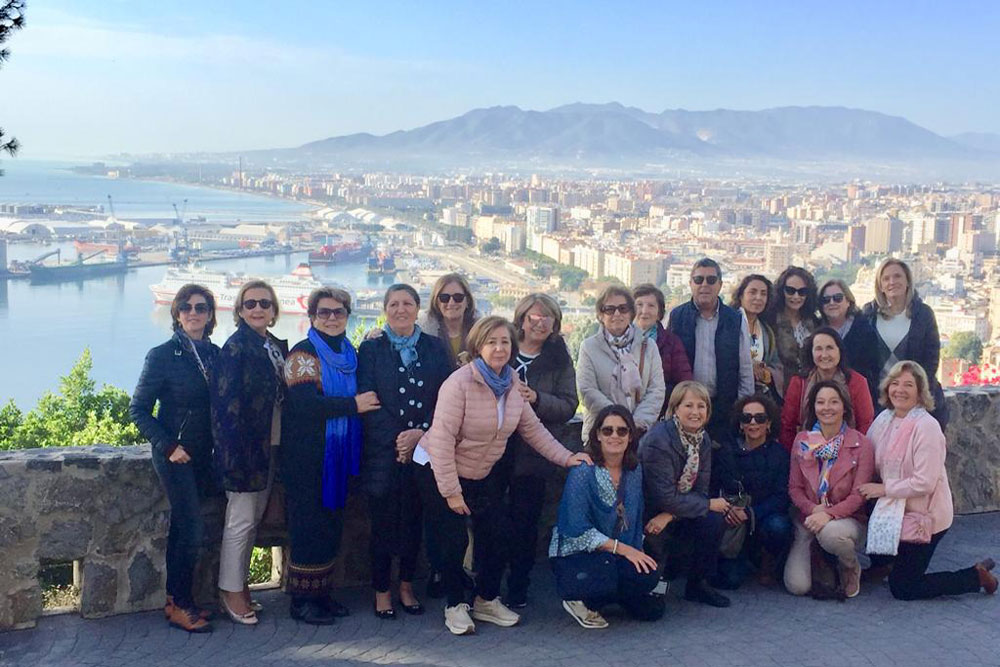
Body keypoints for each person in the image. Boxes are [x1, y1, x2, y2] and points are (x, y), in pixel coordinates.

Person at [417, 315, 591, 635]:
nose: (499, 348)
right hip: (438, 469)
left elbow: (533, 430)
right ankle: (455, 605)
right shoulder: (459, 384)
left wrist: (567, 458)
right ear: (478, 346)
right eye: (491, 342)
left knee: (498, 534)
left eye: (505, 342)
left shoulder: (511, 383)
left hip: (480, 472)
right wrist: (451, 492)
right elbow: (441, 441)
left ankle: (486, 599)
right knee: (452, 541)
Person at [280, 288, 379, 625]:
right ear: (312, 317)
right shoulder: (303, 354)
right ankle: (302, 601)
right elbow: (305, 404)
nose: (332, 318)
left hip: (338, 456)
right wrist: (353, 405)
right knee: (308, 529)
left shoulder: (349, 354)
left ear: (347, 316)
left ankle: (322, 594)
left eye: (339, 312)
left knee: (331, 527)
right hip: (308, 459)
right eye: (324, 312)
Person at [859, 361, 997, 599]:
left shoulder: (927, 427)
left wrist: (883, 489)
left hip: (924, 517)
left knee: (904, 588)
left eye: (908, 385)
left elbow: (924, 482)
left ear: (920, 391)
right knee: (865, 502)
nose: (900, 390)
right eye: (895, 383)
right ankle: (884, 563)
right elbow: (867, 457)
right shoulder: (884, 420)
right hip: (894, 510)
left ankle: (975, 576)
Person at [357, 284, 452, 619]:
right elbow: (367, 398)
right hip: (383, 453)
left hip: (423, 449)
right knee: (382, 524)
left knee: (414, 521)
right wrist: (399, 439)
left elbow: (446, 397)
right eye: (394, 304)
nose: (401, 310)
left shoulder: (435, 348)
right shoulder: (371, 348)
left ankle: (407, 586)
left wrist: (420, 433)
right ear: (385, 309)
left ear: (417, 308)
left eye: (407, 303)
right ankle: (382, 590)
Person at [130, 284, 220, 633]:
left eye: (200, 307)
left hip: (204, 454)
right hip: (175, 455)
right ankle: (182, 605)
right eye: (186, 307)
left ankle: (175, 600)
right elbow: (138, 410)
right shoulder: (162, 355)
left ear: (210, 315)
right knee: (193, 529)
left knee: (183, 528)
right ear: (177, 314)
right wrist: (169, 446)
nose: (193, 313)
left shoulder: (215, 354)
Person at [210, 280, 287, 625]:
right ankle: (230, 590)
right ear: (240, 310)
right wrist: (233, 455)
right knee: (241, 521)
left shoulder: (271, 345)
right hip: (245, 451)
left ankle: (240, 584)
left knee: (253, 520)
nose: (258, 309)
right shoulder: (236, 347)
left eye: (264, 303)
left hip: (271, 444)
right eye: (251, 303)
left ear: (273, 310)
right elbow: (225, 407)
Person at [497, 293, 579, 609]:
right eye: (534, 316)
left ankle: (518, 586)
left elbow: (569, 404)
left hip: (534, 454)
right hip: (496, 449)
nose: (540, 322)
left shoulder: (559, 358)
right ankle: (485, 585)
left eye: (547, 317)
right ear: (522, 318)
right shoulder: (504, 347)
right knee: (492, 521)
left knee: (525, 523)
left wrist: (537, 399)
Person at [549, 405, 665, 629]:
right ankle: (580, 599)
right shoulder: (583, 471)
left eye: (622, 431)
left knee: (648, 584)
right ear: (598, 435)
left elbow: (635, 515)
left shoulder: (634, 470)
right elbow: (576, 529)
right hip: (577, 552)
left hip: (614, 552)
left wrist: (636, 551)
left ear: (630, 437)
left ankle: (606, 598)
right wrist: (625, 550)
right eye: (607, 430)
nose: (614, 436)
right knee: (617, 575)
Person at [640, 381, 733, 608]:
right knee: (652, 610)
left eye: (701, 406)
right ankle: (658, 581)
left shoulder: (702, 439)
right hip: (649, 512)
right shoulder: (659, 440)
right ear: (675, 409)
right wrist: (705, 504)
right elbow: (663, 497)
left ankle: (697, 585)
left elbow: (701, 490)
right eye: (688, 405)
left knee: (713, 520)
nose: (695, 412)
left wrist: (670, 515)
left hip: (674, 510)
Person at [784, 380, 874, 599]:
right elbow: (795, 488)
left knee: (830, 534)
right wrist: (814, 510)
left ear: (844, 407)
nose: (827, 408)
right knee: (797, 586)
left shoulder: (861, 444)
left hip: (847, 519)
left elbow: (858, 495)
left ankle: (849, 565)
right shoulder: (802, 441)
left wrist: (829, 514)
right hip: (809, 517)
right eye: (821, 402)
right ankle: (818, 558)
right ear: (813, 407)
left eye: (834, 402)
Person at [710, 394, 792, 589]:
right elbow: (713, 486)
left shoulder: (780, 455)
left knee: (779, 526)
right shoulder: (726, 451)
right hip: (732, 520)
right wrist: (728, 510)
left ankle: (767, 560)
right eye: (747, 418)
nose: (753, 423)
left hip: (762, 518)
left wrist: (749, 513)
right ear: (740, 423)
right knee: (729, 581)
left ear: (769, 423)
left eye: (760, 418)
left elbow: (782, 497)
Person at [668, 258, 754, 440]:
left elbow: (745, 368)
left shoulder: (735, 319)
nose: (704, 285)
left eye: (711, 280)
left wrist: (743, 409)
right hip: (686, 407)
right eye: (699, 279)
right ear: (691, 283)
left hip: (724, 408)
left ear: (720, 285)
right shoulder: (677, 317)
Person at [861, 258, 949, 429]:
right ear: (880, 285)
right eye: (886, 278)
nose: (892, 282)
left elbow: (931, 358)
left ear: (908, 281)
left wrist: (916, 393)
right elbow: (863, 360)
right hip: (879, 399)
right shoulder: (869, 315)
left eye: (897, 276)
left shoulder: (923, 314)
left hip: (915, 398)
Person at [577, 285, 665, 437]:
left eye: (623, 308)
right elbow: (587, 390)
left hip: (639, 433)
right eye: (609, 309)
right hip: (602, 434)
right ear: (600, 315)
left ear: (631, 313)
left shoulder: (648, 346)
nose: (617, 314)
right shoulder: (589, 347)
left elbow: (656, 390)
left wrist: (636, 423)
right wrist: (619, 422)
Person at [779, 327, 875, 450]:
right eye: (818, 349)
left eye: (830, 348)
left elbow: (866, 425)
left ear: (840, 351)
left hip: (849, 452)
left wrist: (855, 453)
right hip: (805, 452)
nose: (824, 355)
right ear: (811, 353)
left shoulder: (857, 382)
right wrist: (795, 455)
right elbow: (787, 426)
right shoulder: (799, 383)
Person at [633, 283, 693, 415]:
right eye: (639, 305)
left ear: (659, 312)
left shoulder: (671, 342)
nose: (644, 311)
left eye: (651, 306)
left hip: (660, 413)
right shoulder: (620, 340)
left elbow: (684, 383)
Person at [818, 279, 880, 402]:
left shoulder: (864, 330)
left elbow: (873, 369)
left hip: (857, 396)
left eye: (838, 298)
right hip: (822, 398)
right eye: (826, 299)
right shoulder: (815, 329)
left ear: (848, 301)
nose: (832, 303)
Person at [729, 274, 782, 400]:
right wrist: (748, 368)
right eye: (752, 292)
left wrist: (766, 372)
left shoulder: (767, 331)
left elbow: (776, 364)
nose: (758, 298)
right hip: (732, 394)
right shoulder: (728, 324)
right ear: (741, 296)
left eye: (763, 294)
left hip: (759, 398)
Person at [772, 266, 819, 394]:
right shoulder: (771, 322)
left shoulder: (815, 322)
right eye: (790, 290)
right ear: (781, 291)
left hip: (810, 390)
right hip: (779, 391)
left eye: (802, 292)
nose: (796, 296)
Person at [420, 273, 479, 367]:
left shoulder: (482, 333)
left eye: (458, 297)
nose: (451, 303)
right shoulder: (422, 335)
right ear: (436, 302)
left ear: (467, 300)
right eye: (444, 298)